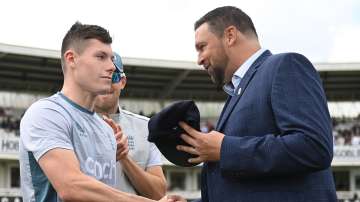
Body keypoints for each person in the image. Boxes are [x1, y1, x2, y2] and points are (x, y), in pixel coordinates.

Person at [176, 6, 337, 202]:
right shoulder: (237, 92)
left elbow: (314, 146)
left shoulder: (285, 66)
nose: (199, 59)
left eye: (202, 47)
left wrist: (225, 149)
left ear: (230, 36)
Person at [19, 21, 185, 202]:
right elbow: (72, 188)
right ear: (71, 59)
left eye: (111, 59)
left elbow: (106, 196)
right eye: (101, 57)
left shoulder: (107, 129)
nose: (111, 66)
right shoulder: (46, 113)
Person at [94, 52, 166, 200]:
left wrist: (124, 157)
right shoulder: (71, 122)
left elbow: (159, 193)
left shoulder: (145, 127)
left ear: (122, 81)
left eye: (112, 76)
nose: (106, 83)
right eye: (99, 76)